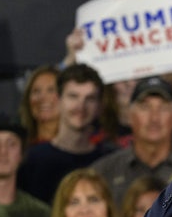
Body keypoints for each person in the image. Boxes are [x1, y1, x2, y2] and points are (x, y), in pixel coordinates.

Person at [17, 64, 114, 204]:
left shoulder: (111, 160)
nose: (81, 106)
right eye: (73, 96)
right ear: (58, 100)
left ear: (99, 106)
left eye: (90, 98)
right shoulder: (31, 161)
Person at [91, 77, 172, 207]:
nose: (154, 118)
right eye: (145, 107)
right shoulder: (103, 172)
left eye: (163, 108)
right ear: (130, 116)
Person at [18, 65, 60, 146]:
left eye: (51, 90)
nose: (42, 97)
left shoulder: (85, 144)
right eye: (36, 91)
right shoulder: (19, 148)